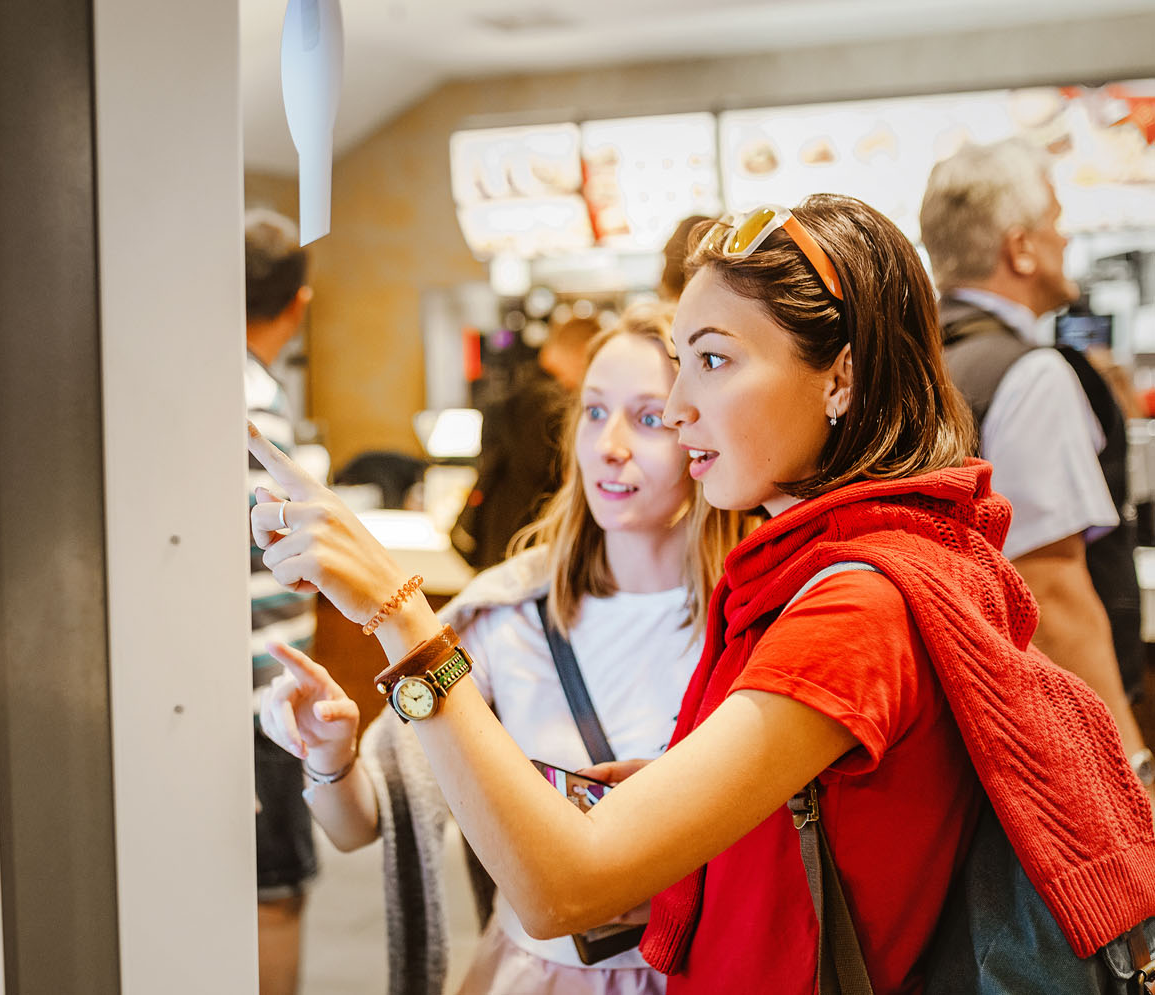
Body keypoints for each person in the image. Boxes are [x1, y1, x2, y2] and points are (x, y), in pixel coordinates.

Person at [248, 195, 1155, 993]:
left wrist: (398, 618)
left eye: (713, 362)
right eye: (676, 363)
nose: (678, 405)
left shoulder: (853, 606)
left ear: (839, 375)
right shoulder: (860, 560)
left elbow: (564, 885)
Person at [260, 303, 749, 995]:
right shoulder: (509, 613)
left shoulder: (755, 617)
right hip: (537, 975)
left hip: (705, 973)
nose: (610, 445)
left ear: (699, 436)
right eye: (594, 411)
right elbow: (369, 820)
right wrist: (329, 755)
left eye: (648, 419)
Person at [920, 140, 1153, 794]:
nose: (1066, 235)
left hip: (959, 725)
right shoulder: (1031, 374)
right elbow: (1050, 586)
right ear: (1019, 247)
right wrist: (1130, 764)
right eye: (1056, 218)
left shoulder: (915, 363)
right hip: (1049, 739)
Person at [244, 209, 317, 995]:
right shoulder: (257, 405)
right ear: (297, 303)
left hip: (221, 685)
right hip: (262, 685)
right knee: (275, 893)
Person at [453, 314, 599, 570]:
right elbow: (569, 479)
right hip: (528, 550)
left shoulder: (514, 391)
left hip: (495, 543)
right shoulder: (556, 407)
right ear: (583, 353)